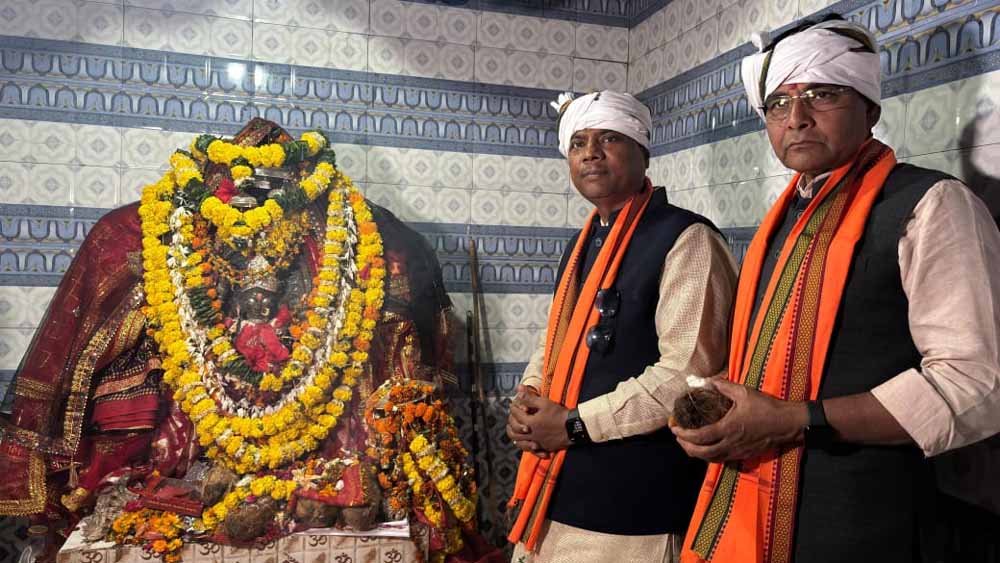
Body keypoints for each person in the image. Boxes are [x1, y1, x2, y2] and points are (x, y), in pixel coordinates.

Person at [0, 118, 499, 562]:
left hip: (323, 450)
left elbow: (413, 361)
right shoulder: (144, 231)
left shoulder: (375, 235)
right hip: (187, 450)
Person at [670, 17, 1000, 563]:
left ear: (870, 108)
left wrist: (797, 419)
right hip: (760, 505)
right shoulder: (785, 221)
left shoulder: (932, 205)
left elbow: (976, 386)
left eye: (823, 94)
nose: (796, 117)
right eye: (778, 103)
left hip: (870, 521)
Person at [505, 91, 738, 563]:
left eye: (609, 138)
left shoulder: (685, 238)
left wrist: (572, 425)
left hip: (634, 510)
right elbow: (558, 338)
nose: (590, 153)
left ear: (642, 151)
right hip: (554, 492)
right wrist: (529, 395)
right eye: (578, 143)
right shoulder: (584, 241)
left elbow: (687, 375)